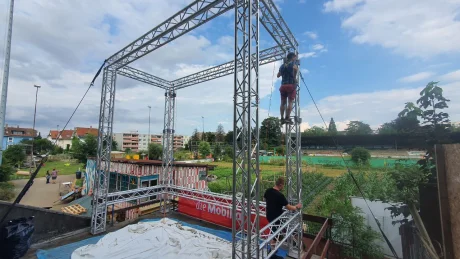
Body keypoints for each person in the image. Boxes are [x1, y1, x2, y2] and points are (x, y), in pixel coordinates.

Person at [264, 177, 302, 258]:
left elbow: (265, 199)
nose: (283, 187)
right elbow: (289, 207)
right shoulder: (280, 195)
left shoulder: (268, 191)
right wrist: (296, 207)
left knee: (275, 232)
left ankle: (272, 249)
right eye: (283, 185)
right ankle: (271, 252)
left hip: (269, 215)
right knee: (276, 234)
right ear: (280, 185)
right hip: (276, 217)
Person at [277, 52, 299, 125]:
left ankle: (282, 118)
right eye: (295, 57)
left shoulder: (282, 66)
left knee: (282, 103)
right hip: (290, 85)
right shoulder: (293, 64)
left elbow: (278, 75)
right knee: (290, 102)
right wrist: (294, 77)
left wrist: (283, 73)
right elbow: (295, 69)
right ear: (292, 57)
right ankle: (287, 118)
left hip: (283, 86)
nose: (295, 58)